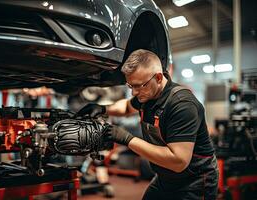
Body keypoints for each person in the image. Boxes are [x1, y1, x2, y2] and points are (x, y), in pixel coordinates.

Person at [77, 49, 219, 200]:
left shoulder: (182, 105)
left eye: (138, 86)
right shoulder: (148, 93)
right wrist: (102, 108)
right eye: (131, 86)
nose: (134, 93)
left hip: (194, 181)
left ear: (158, 77)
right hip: (165, 177)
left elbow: (178, 161)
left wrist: (127, 139)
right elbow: (126, 107)